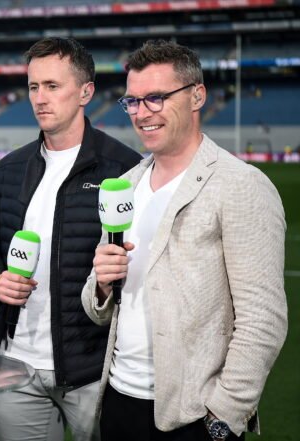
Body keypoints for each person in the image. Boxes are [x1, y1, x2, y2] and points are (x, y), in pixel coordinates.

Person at [81, 40, 287, 441]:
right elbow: (98, 308)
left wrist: (223, 416)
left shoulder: (241, 185)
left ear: (197, 96)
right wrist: (103, 284)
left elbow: (263, 319)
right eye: (133, 101)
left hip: (194, 417)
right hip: (119, 402)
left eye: (156, 98)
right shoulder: (125, 185)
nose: (142, 113)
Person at [0, 37, 142, 441]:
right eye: (34, 86)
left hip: (94, 369)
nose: (40, 97)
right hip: (16, 366)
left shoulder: (125, 170)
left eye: (52, 86)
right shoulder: (9, 170)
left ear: (86, 92)